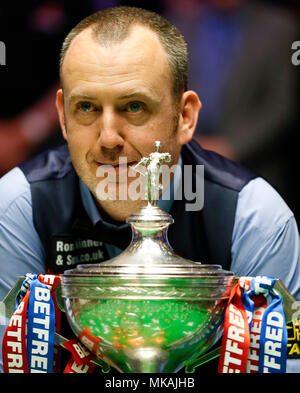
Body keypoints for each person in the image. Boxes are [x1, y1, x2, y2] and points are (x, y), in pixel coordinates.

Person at [0, 6, 299, 373]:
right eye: (87, 107)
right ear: (62, 117)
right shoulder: (18, 206)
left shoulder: (255, 218)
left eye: (135, 107)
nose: (108, 139)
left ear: (185, 117)